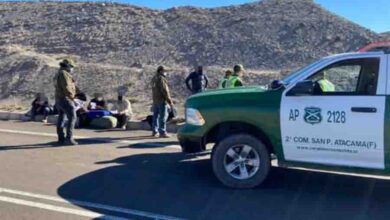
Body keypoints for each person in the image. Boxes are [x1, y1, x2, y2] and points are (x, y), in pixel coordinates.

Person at [54, 58, 78, 146]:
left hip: (59, 99)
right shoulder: (64, 74)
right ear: (67, 66)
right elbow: (66, 87)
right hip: (65, 98)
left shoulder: (59, 73)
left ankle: (61, 138)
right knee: (72, 117)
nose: (72, 69)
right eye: (71, 67)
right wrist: (72, 98)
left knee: (62, 117)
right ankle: (69, 138)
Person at [151, 65, 174, 138]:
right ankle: (162, 132)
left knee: (155, 116)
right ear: (161, 71)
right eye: (165, 71)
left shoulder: (154, 78)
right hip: (161, 99)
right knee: (163, 116)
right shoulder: (161, 79)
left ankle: (155, 131)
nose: (166, 73)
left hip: (155, 100)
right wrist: (169, 101)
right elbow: (165, 90)